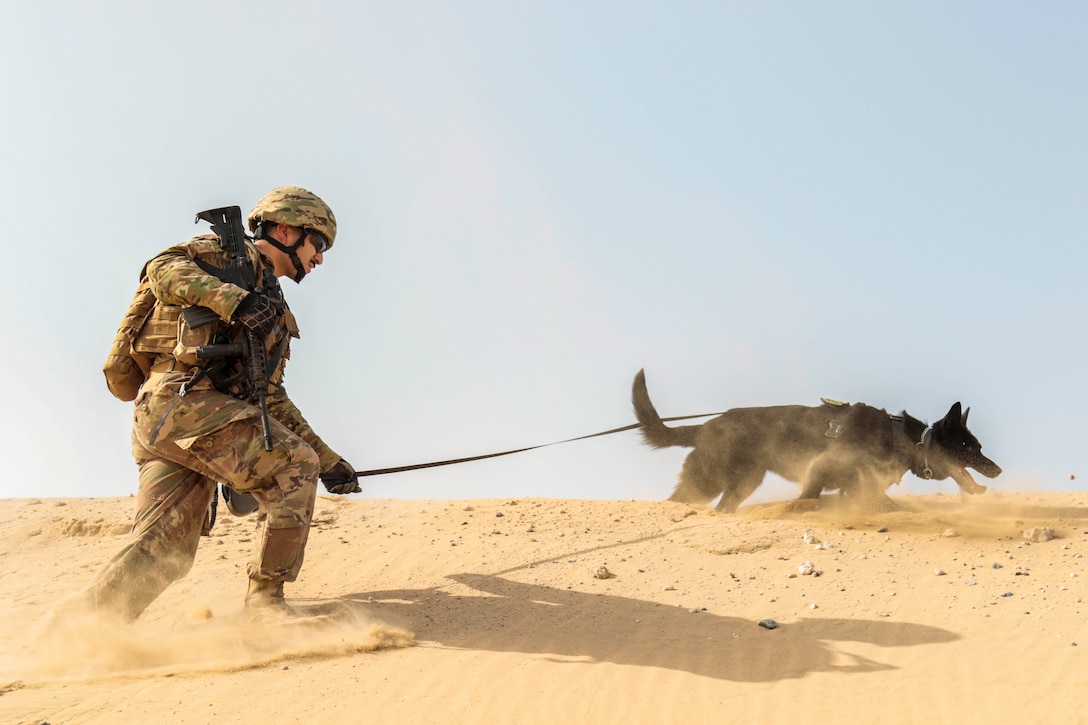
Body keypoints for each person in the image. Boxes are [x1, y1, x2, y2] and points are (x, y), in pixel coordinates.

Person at [75, 185, 359, 621]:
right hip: (183, 405)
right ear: (285, 229)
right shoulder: (229, 257)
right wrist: (235, 300)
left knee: (165, 546)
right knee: (292, 466)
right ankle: (265, 609)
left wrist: (329, 461)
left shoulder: (273, 307)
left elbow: (269, 398)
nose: (319, 258)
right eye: (317, 243)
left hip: (176, 422)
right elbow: (161, 269)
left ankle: (81, 633)